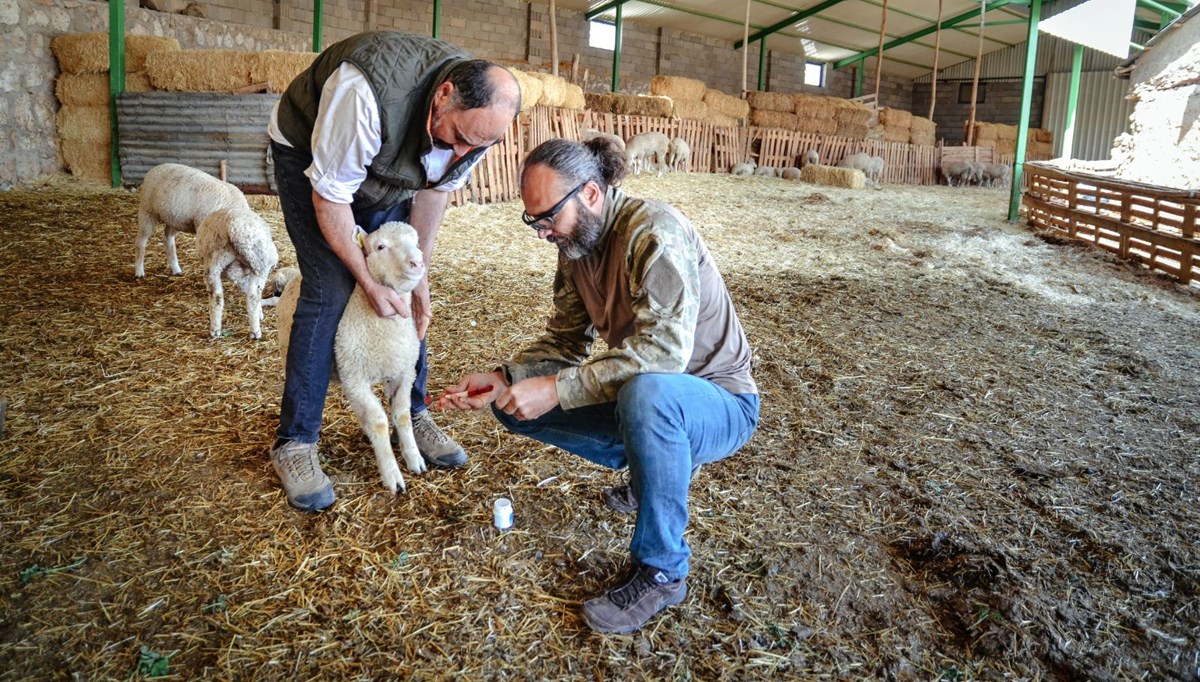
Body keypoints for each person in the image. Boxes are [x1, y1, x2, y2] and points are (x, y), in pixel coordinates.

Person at [438, 137, 760, 634]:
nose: (542, 233)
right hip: (650, 400)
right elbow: (565, 340)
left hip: (717, 400)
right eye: (533, 220)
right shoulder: (576, 247)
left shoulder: (653, 230)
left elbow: (663, 355)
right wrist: (505, 377)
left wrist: (558, 389)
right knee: (511, 404)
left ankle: (664, 570)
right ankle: (652, 468)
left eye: (547, 217)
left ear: (590, 194)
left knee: (649, 393)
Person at [265, 31, 521, 511]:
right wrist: (364, 276)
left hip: (394, 163)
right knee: (329, 285)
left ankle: (412, 412)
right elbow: (332, 196)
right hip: (313, 158)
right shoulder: (362, 94)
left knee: (400, 279)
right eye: (462, 139)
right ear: (443, 96)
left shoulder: (474, 126)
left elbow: (433, 192)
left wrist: (417, 277)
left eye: (479, 146)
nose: (465, 153)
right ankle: (295, 442)